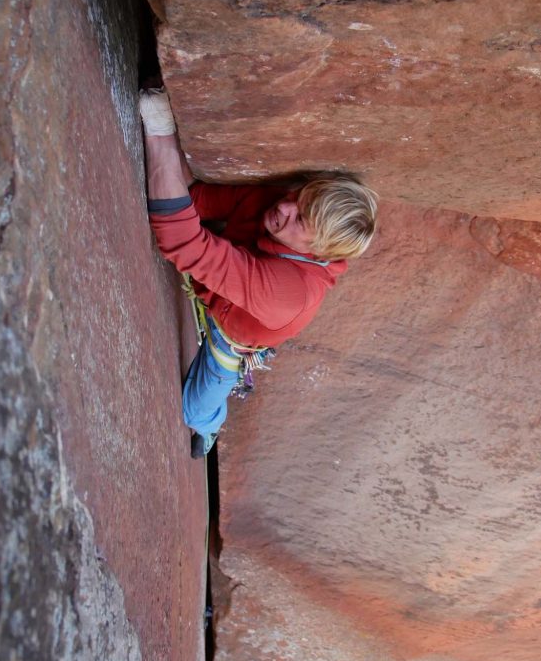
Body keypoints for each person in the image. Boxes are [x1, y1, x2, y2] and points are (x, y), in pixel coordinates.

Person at [140, 86, 378, 458]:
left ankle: (210, 426)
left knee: (195, 410)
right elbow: (198, 200)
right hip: (228, 293)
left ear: (317, 251)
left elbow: (181, 240)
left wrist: (160, 133)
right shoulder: (284, 203)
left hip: (231, 337)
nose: (284, 207)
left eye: (300, 220)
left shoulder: (289, 294)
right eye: (299, 197)